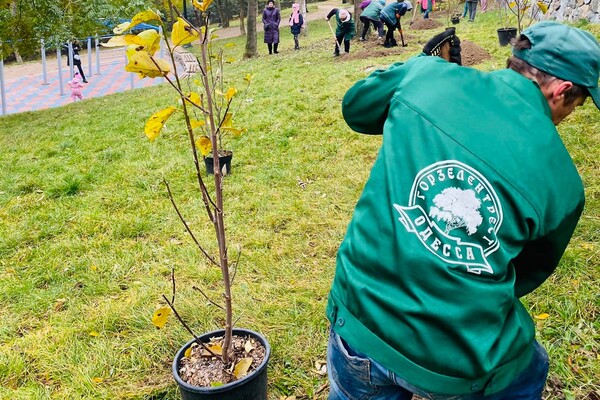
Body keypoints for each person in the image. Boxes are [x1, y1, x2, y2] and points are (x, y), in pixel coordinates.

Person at [326, 21, 600, 399]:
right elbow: (527, 271)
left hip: (360, 319)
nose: (567, 116)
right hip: (459, 360)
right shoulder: (566, 185)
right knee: (529, 369)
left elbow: (357, 108)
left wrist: (416, 69)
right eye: (577, 105)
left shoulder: (427, 75)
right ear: (561, 90)